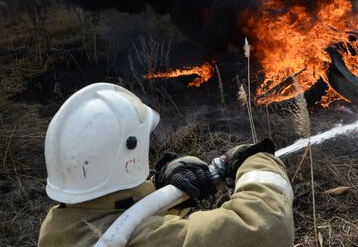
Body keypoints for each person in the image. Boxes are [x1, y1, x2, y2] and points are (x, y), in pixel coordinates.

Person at [38, 83, 294, 247]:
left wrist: (158, 187)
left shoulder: (59, 226)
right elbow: (267, 227)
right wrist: (258, 161)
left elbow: (116, 210)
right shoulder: (144, 241)